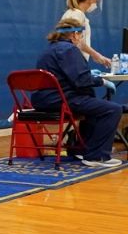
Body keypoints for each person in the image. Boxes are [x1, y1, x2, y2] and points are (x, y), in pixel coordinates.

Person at [33, 18, 125, 168]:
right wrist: (100, 81)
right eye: (81, 36)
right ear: (75, 34)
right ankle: (97, 156)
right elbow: (81, 80)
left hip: (44, 99)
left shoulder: (49, 50)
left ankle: (82, 150)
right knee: (113, 109)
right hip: (61, 99)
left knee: (93, 106)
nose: (81, 39)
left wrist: (90, 76)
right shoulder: (68, 49)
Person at [61, 0, 111, 70]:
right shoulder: (77, 14)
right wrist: (96, 55)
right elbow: (76, 40)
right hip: (72, 63)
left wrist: (94, 55)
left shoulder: (74, 13)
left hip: (72, 62)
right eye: (96, 0)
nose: (96, 4)